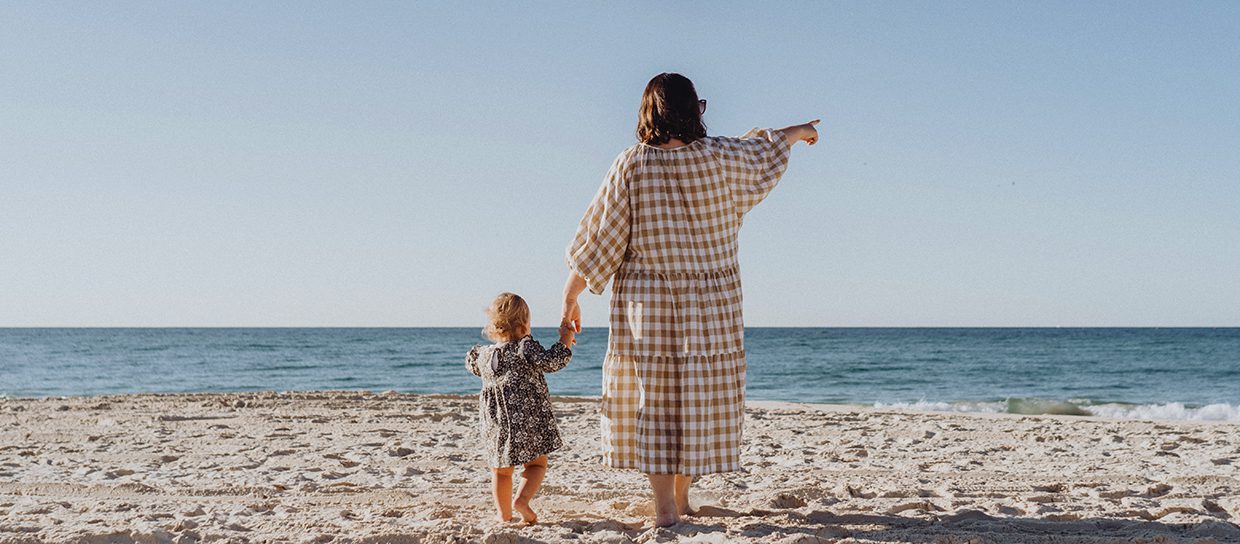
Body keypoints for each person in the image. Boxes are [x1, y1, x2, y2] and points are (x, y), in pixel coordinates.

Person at [561, 72, 819, 527]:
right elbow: (766, 148)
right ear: (693, 110)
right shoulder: (719, 156)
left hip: (647, 300)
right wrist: (798, 133)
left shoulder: (631, 164)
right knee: (700, 396)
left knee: (653, 398)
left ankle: (664, 506)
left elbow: (600, 241)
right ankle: (681, 499)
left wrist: (570, 302)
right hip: (712, 300)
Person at [466, 292, 575, 523]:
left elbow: (472, 366)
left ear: (493, 326)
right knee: (536, 464)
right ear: (525, 324)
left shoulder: (483, 355)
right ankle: (522, 501)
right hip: (527, 420)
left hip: (496, 425)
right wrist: (565, 338)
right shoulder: (525, 349)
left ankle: (503, 514)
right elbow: (554, 361)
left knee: (500, 470)